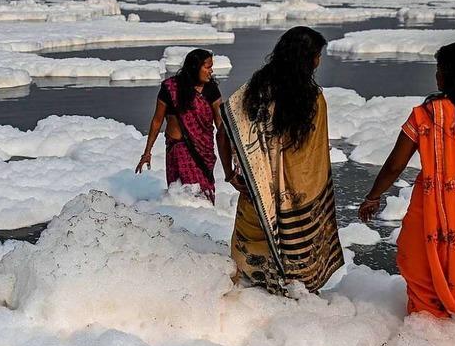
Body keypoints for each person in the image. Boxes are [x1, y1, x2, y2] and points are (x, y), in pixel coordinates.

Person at [358, 41, 455, 320]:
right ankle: (450, 323)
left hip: (433, 204)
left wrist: (373, 196)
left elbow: (395, 165)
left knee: (419, 261)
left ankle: (427, 325)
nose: (436, 76)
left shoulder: (426, 115)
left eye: (440, 69)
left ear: (450, 74)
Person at [219, 26, 344, 295]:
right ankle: (292, 289)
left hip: (256, 189)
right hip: (299, 194)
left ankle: (253, 286)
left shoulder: (255, 90)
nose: (319, 60)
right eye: (317, 55)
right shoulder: (312, 99)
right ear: (308, 58)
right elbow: (313, 153)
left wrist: (230, 172)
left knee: (252, 248)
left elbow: (226, 126)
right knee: (294, 250)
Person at [135, 49, 223, 203]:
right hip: (178, 150)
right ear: (195, 67)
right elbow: (157, 121)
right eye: (207, 67)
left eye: (211, 67)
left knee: (204, 195)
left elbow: (220, 123)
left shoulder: (211, 90)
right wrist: (147, 152)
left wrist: (233, 151)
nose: (211, 71)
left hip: (204, 153)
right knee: (183, 196)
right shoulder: (171, 89)